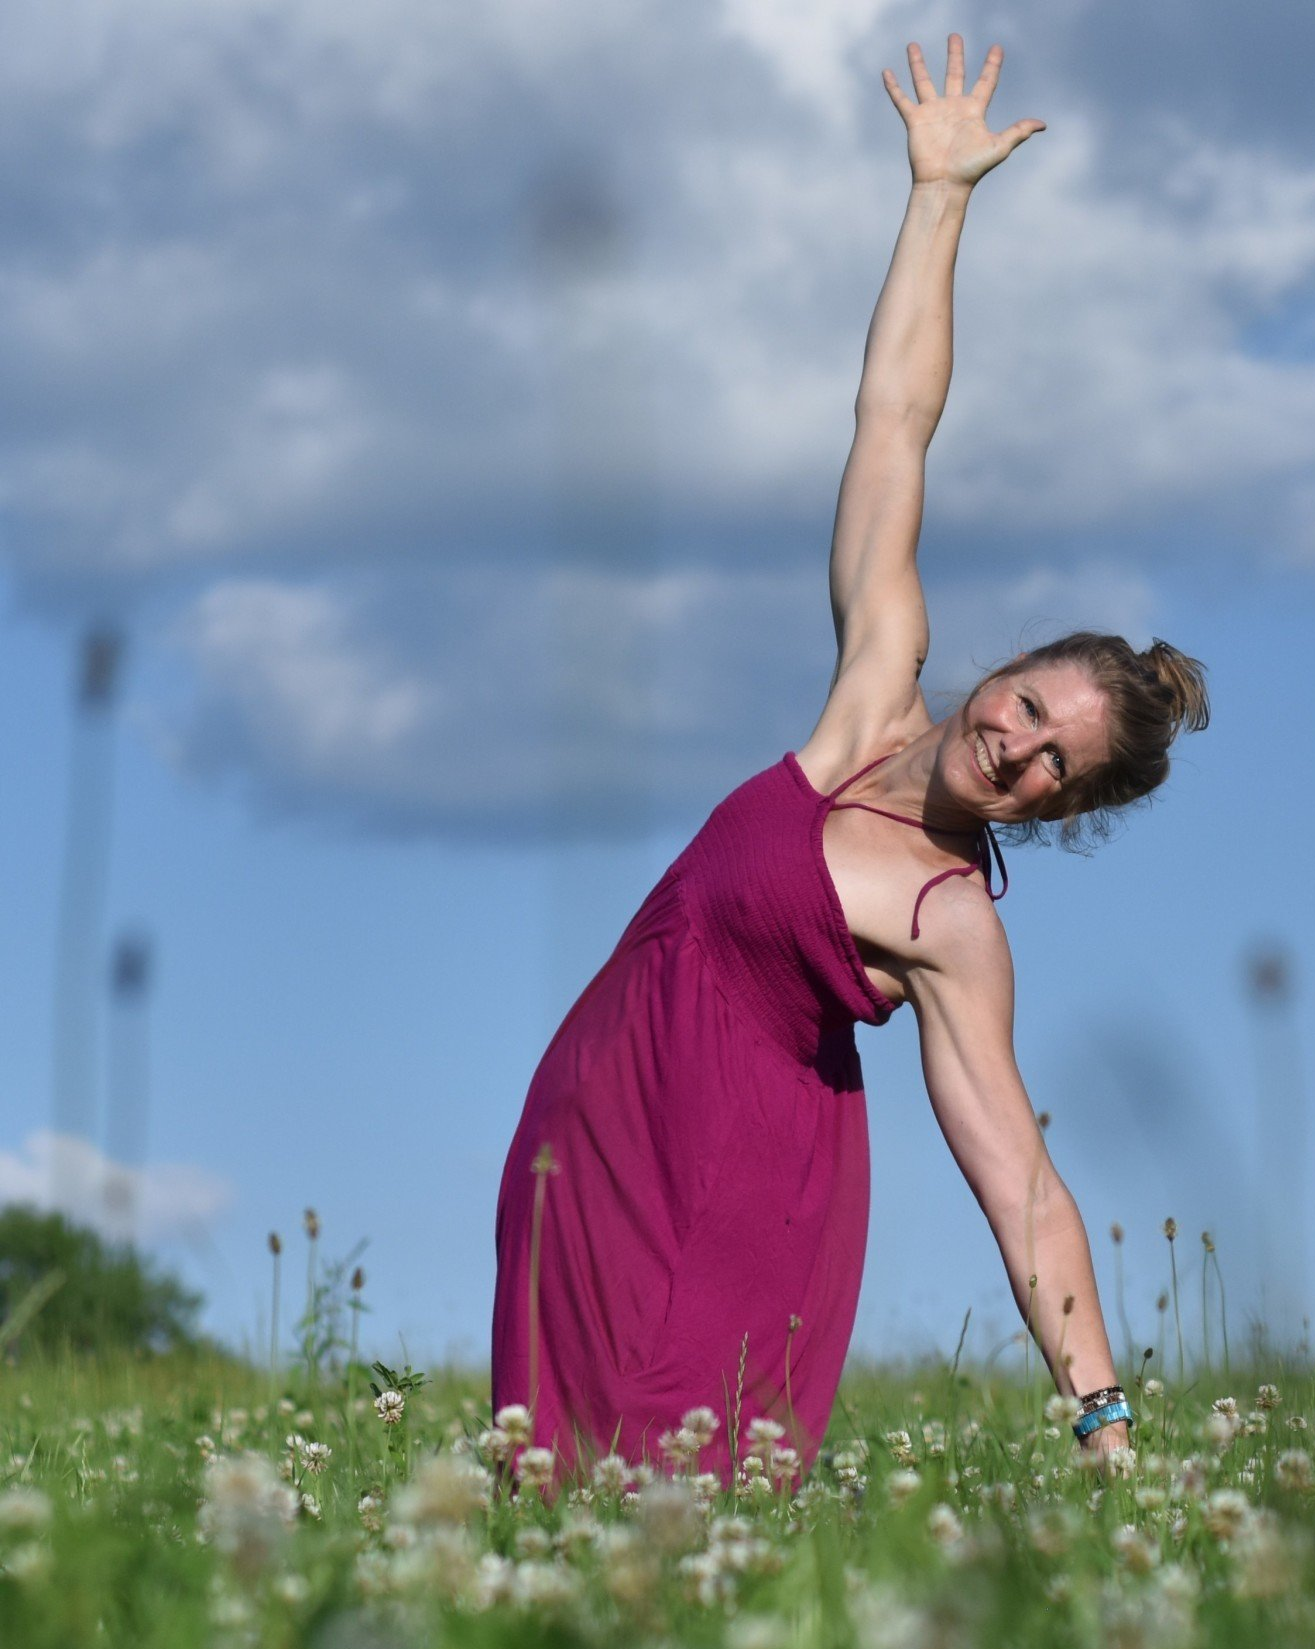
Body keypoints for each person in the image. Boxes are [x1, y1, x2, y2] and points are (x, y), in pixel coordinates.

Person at [491, 34, 1209, 1484]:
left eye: (1053, 767)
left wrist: (1100, 1410)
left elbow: (1023, 1185)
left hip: (733, 1194)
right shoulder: (867, 703)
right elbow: (896, 419)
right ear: (998, 671)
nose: (1015, 750)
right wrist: (940, 197)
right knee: (534, 1494)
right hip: (586, 1133)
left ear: (1065, 807)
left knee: (664, 1516)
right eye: (1025, 707)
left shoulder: (951, 924)